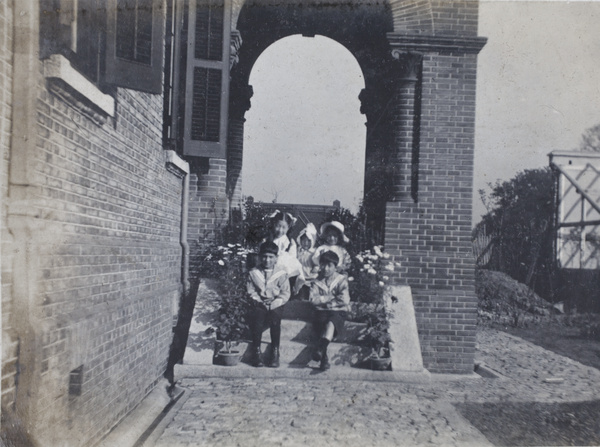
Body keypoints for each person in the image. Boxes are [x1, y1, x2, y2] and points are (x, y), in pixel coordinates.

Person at [246, 241, 290, 367]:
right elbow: (251, 291)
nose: (267, 260)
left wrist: (275, 302)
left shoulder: (281, 273)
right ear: (260, 257)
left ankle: (275, 351)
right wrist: (259, 300)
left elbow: (285, 292)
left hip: (276, 303)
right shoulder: (254, 273)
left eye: (271, 257)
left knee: (275, 319)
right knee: (258, 317)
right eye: (264, 256)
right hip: (259, 303)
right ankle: (257, 351)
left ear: (276, 258)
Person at [308, 250, 351, 371]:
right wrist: (330, 298)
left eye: (329, 265)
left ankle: (321, 352)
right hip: (321, 312)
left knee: (331, 321)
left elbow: (344, 300)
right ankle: (323, 357)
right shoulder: (316, 282)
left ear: (335, 266)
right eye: (323, 265)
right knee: (322, 321)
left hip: (338, 311)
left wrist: (324, 302)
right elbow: (312, 299)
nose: (325, 268)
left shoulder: (341, 280)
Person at [264, 210, 303, 285]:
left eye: (284, 227)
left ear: (288, 228)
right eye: (278, 226)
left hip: (284, 270)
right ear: (273, 225)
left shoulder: (290, 243)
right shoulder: (268, 239)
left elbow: (292, 259)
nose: (280, 230)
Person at [293, 223, 319, 298]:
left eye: (308, 241)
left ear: (312, 241)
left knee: (311, 295)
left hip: (311, 278)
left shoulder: (314, 252)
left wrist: (316, 268)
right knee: (300, 294)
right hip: (300, 278)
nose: (306, 243)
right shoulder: (299, 250)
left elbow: (317, 263)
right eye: (303, 240)